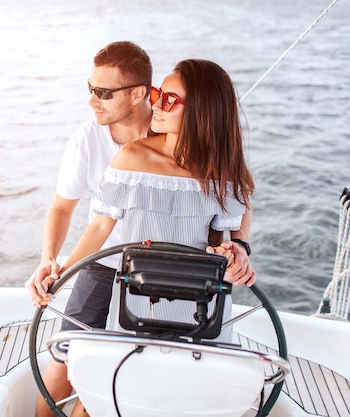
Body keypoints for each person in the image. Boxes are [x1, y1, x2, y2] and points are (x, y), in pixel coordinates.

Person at [27, 42, 254, 417]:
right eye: (158, 96)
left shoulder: (223, 168)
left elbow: (223, 232)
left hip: (191, 292)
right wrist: (55, 273)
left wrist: (237, 249)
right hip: (123, 276)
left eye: (168, 99)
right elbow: (96, 224)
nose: (158, 105)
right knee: (79, 369)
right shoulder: (124, 153)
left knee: (172, 390)